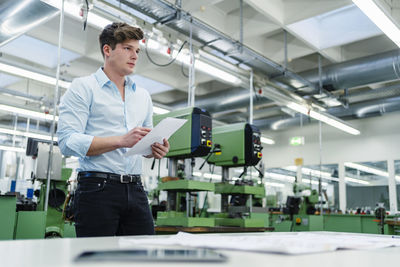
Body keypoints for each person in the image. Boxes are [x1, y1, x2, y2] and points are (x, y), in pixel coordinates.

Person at [57, 22, 170, 237]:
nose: (135, 56)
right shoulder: (83, 87)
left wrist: (154, 148)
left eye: (137, 50)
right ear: (107, 50)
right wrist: (120, 140)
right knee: (97, 258)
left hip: (136, 189)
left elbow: (142, 143)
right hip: (97, 188)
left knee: (143, 255)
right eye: (127, 48)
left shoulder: (143, 96)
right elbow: (67, 141)